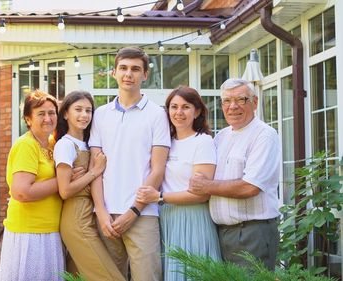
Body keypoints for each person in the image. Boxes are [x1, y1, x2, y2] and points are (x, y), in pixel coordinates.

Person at [89, 46, 170, 281]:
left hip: (142, 215)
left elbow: (158, 169)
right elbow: (96, 171)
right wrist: (101, 212)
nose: (128, 74)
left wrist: (134, 211)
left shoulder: (157, 115)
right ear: (113, 72)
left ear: (145, 75)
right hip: (106, 216)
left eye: (135, 69)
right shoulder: (100, 115)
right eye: (123, 68)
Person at [189, 78, 281, 270]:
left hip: (251, 232)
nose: (233, 107)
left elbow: (250, 187)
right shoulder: (221, 136)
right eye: (226, 101)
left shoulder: (264, 135)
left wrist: (206, 186)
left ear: (255, 103)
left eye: (241, 100)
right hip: (220, 232)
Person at [136, 86, 221, 280]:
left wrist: (159, 197)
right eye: (173, 107)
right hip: (166, 218)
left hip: (193, 219)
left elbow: (202, 193)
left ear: (197, 111)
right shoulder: (165, 141)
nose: (179, 112)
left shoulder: (203, 142)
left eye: (186, 107)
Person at [54, 91, 125, 281]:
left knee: (80, 275)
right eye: (78, 109)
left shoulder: (88, 143)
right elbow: (65, 191)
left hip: (90, 214)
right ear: (66, 113)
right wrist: (94, 172)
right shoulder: (65, 145)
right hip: (76, 217)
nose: (84, 115)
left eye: (88, 110)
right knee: (108, 275)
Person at [0, 90, 64, 281]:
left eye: (51, 113)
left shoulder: (52, 144)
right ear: (28, 119)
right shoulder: (26, 145)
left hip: (50, 231)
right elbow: (21, 192)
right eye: (41, 114)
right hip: (29, 234)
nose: (48, 118)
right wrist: (63, 181)